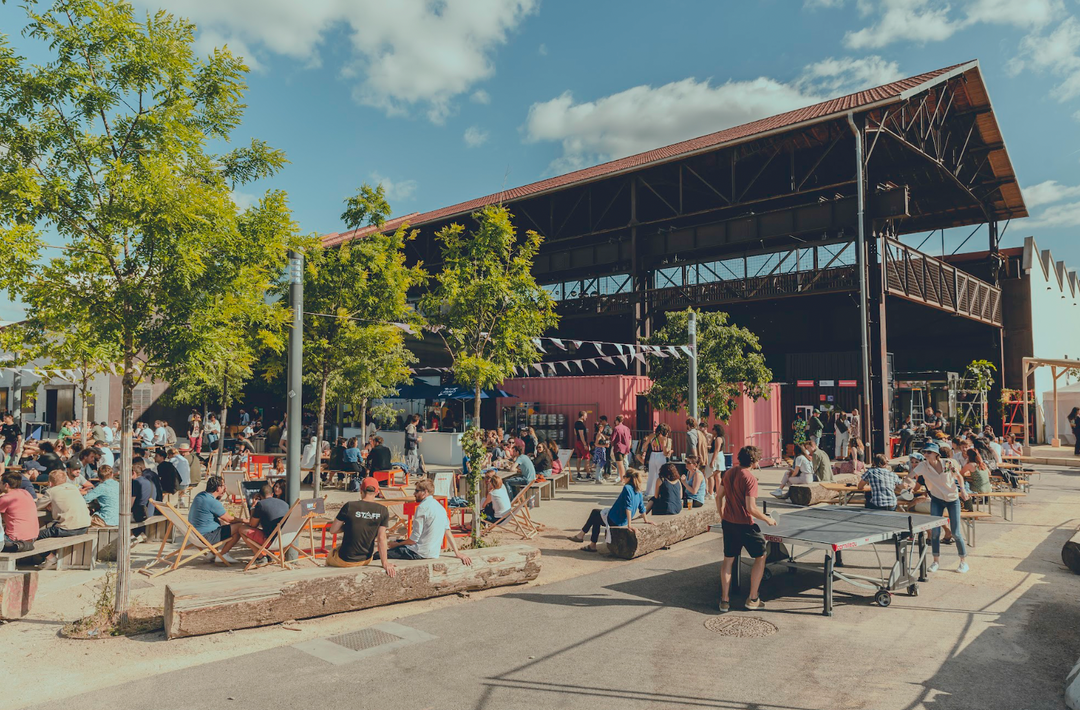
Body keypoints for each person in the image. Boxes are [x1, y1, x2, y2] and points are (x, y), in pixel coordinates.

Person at [717, 446, 776, 612]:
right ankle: (753, 598)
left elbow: (718, 496)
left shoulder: (728, 473)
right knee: (761, 556)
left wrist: (721, 514)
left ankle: (724, 600)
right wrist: (767, 519)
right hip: (745, 525)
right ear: (755, 462)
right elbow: (751, 508)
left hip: (728, 523)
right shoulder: (750, 479)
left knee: (728, 561)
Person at [912, 441, 969, 573]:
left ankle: (963, 562)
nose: (925, 454)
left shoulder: (947, 464)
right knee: (935, 533)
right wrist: (904, 485)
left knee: (955, 533)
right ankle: (935, 561)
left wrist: (963, 491)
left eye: (928, 452)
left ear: (936, 454)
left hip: (952, 498)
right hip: (937, 499)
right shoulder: (924, 466)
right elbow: (911, 477)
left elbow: (958, 477)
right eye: (924, 452)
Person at [386, 479, 471, 564]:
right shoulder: (440, 508)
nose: (414, 494)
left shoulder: (422, 508)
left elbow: (414, 539)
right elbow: (447, 531)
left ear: (424, 492)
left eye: (416, 491)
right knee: (398, 543)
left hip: (420, 552)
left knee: (379, 555)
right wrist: (457, 553)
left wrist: (397, 545)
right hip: (433, 552)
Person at [568, 467, 652, 552]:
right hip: (622, 518)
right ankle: (588, 541)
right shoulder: (639, 491)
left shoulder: (627, 488)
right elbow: (641, 507)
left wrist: (629, 525)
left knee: (595, 514)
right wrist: (646, 520)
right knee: (596, 516)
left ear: (628, 478)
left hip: (616, 519)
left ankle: (584, 538)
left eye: (624, 477)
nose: (623, 478)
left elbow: (628, 507)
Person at [324, 478, 396, 573]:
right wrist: (385, 563)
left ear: (361, 491)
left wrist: (349, 526)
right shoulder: (383, 510)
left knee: (332, 554)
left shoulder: (349, 506)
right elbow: (381, 538)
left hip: (346, 560)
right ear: (376, 492)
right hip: (366, 559)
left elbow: (333, 530)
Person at [35, 469, 91, 568]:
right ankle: (50, 559)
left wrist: (48, 503)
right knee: (52, 529)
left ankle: (51, 558)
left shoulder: (51, 491)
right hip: (84, 526)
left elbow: (36, 506)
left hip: (68, 528)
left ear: (50, 483)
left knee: (34, 535)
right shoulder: (73, 488)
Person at [187, 476, 241, 563]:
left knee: (219, 523)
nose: (225, 488)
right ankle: (223, 554)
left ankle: (212, 553)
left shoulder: (200, 496)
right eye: (223, 486)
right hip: (206, 537)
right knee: (239, 527)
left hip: (194, 534)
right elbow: (230, 519)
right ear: (218, 488)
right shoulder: (212, 502)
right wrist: (245, 520)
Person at [238, 483, 291, 563]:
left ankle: (260, 557)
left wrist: (253, 507)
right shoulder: (285, 504)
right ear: (272, 494)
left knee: (242, 529)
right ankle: (270, 555)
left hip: (271, 542)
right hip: (285, 540)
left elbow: (253, 525)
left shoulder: (261, 504)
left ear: (260, 496)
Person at [0, 472, 38, 552]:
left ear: (6, 485)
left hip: (15, 540)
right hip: (32, 537)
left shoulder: (6, 498)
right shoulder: (25, 493)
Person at [640, 423, 672, 500]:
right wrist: (669, 452)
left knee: (651, 475)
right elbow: (664, 452)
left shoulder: (652, 436)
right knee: (660, 475)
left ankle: (648, 492)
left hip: (653, 455)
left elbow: (644, 446)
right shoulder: (664, 439)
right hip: (661, 456)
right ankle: (658, 491)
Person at [610, 415, 632, 483]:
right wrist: (629, 447)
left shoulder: (616, 428)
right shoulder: (627, 428)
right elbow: (629, 438)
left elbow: (612, 438)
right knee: (624, 463)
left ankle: (622, 479)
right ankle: (624, 479)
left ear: (617, 421)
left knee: (620, 465)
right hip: (625, 448)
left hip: (618, 448)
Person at [708, 422, 726, 498]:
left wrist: (712, 461)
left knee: (711, 475)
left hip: (716, 457)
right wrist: (712, 437)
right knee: (717, 475)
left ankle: (711, 492)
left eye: (713, 430)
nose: (712, 431)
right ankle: (718, 492)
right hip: (718, 456)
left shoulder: (718, 439)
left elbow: (716, 450)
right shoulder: (719, 438)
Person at [591, 420, 610, 485]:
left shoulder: (601, 434)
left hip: (602, 450)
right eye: (602, 427)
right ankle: (597, 478)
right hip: (599, 451)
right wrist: (604, 445)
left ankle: (600, 477)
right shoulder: (598, 435)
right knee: (599, 465)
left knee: (601, 465)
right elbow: (596, 444)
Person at [573, 410, 590, 478]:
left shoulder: (576, 423)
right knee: (587, 458)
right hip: (582, 443)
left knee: (579, 458)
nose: (586, 417)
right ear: (582, 416)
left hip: (578, 442)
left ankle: (578, 473)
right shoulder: (581, 424)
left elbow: (575, 432)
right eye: (586, 416)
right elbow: (581, 434)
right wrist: (585, 444)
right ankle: (588, 474)